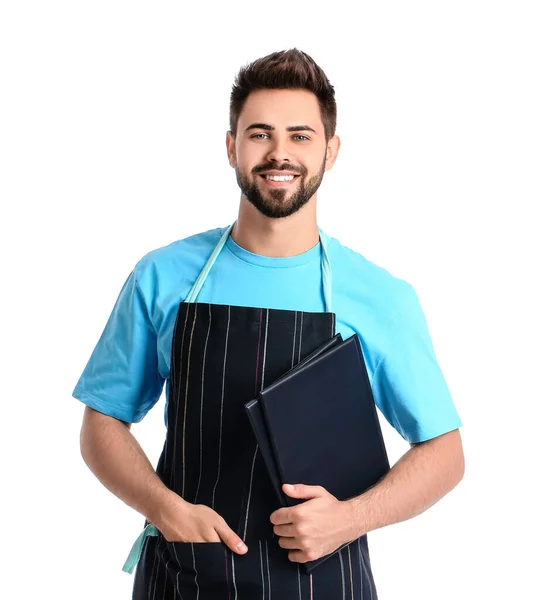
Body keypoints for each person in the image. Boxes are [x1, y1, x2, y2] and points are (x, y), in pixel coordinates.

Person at [73, 48, 464, 599]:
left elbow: (445, 453)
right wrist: (165, 508)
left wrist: (349, 519)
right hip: (184, 579)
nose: (279, 153)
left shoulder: (381, 297)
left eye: (301, 136)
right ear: (231, 147)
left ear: (331, 152)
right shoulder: (162, 276)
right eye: (260, 134)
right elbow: (102, 424)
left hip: (325, 583)